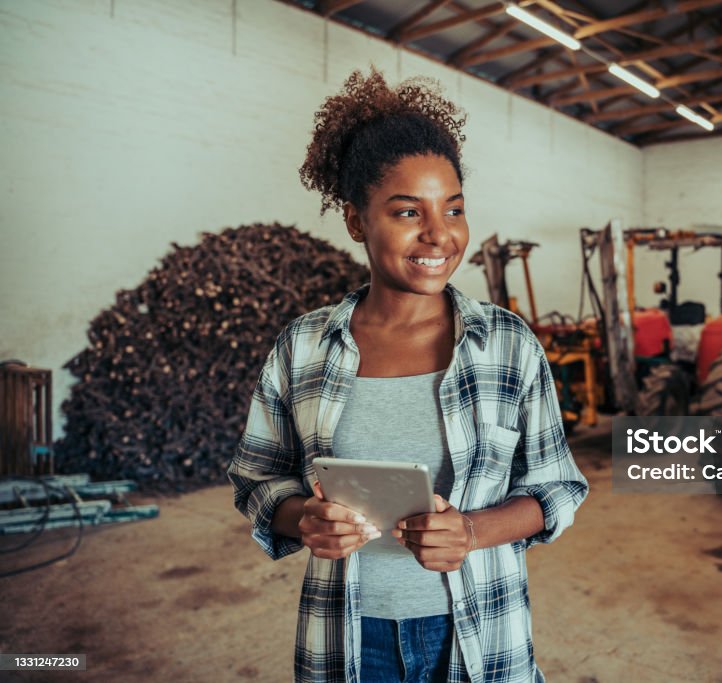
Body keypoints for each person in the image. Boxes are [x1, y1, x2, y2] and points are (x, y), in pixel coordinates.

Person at [227, 67, 589, 683]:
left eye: (453, 208)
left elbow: (555, 487)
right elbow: (259, 478)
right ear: (354, 220)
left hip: (480, 632)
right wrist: (304, 519)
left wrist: (471, 530)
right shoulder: (304, 348)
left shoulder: (506, 345)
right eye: (406, 211)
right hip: (348, 638)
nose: (439, 234)